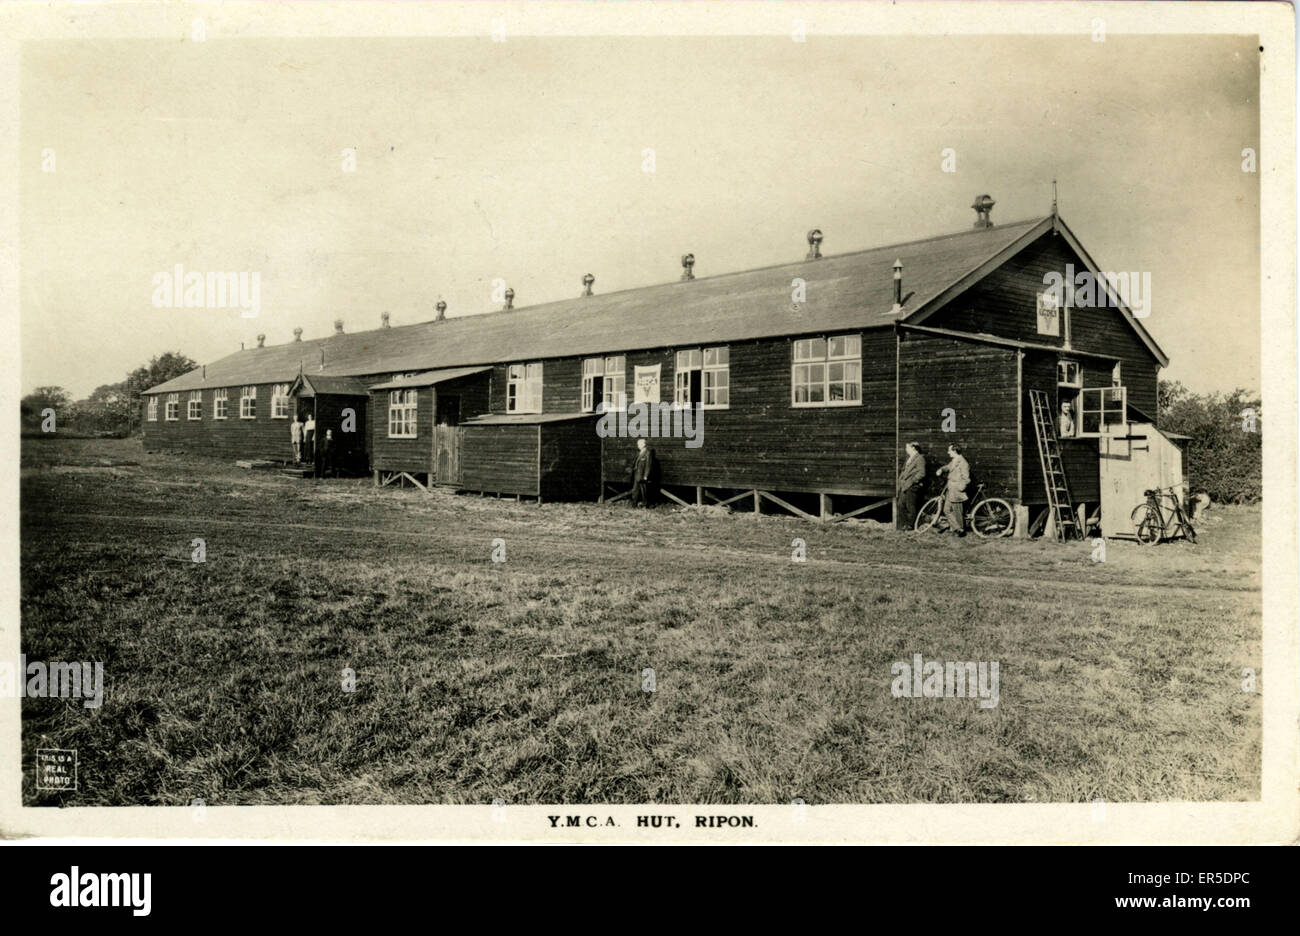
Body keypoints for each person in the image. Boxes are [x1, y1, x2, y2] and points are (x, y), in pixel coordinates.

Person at [936, 443, 971, 536]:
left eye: (949, 450)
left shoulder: (963, 463)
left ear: (955, 451)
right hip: (950, 489)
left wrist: (960, 488)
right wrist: (941, 470)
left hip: (956, 490)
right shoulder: (954, 460)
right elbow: (948, 467)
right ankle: (957, 528)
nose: (948, 452)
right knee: (946, 510)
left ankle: (961, 530)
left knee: (957, 511)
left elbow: (966, 478)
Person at [895, 442, 927, 531]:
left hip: (911, 486)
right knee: (900, 505)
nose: (906, 450)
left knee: (910, 507)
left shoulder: (920, 458)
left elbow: (922, 473)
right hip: (904, 485)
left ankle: (910, 526)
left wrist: (911, 482)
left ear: (913, 448)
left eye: (907, 448)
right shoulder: (909, 458)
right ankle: (903, 525)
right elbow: (904, 471)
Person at [630, 437, 655, 508]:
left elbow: (648, 465)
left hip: (642, 475)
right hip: (637, 475)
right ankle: (634, 504)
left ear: (643, 444)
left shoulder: (648, 453)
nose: (637, 445)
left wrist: (646, 476)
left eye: (638, 444)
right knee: (635, 490)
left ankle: (645, 505)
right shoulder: (639, 453)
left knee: (644, 491)